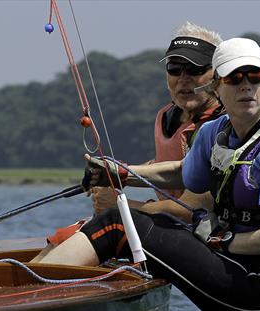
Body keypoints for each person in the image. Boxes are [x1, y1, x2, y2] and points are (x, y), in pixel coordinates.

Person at [37, 37, 260, 311]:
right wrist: (119, 172)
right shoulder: (217, 131)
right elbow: (183, 173)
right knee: (137, 230)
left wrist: (221, 242)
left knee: (118, 225)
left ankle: (30, 302)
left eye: (256, 76)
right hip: (233, 264)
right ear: (216, 87)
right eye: (234, 77)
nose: (246, 86)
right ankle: (40, 303)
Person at [34, 23, 224, 258]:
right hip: (162, 222)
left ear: (217, 74)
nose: (183, 79)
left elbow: (190, 209)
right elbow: (166, 162)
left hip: (199, 235)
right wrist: (113, 174)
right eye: (175, 68)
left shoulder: (221, 127)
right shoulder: (169, 114)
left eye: (195, 70)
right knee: (59, 242)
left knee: (103, 226)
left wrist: (120, 205)